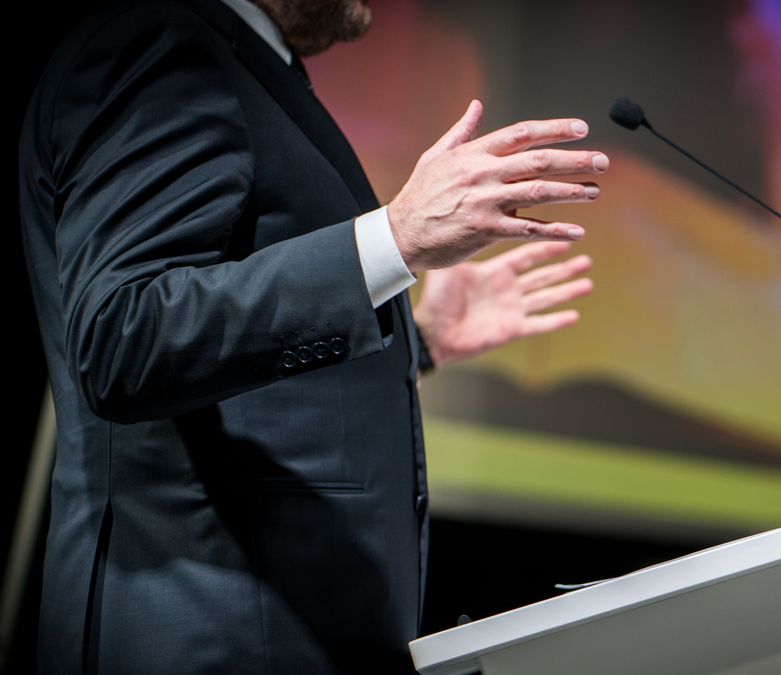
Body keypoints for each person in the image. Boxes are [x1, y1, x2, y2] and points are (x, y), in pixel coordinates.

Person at [17, 0, 608, 672]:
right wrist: (394, 239)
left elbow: (232, 367)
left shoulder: (253, 66)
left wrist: (419, 339)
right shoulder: (156, 41)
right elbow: (125, 337)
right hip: (205, 634)